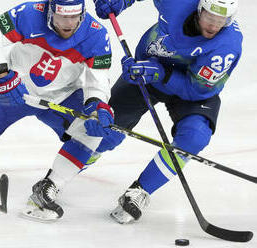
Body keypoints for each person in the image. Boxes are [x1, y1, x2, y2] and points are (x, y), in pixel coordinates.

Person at [0, 0, 125, 221]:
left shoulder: (96, 35)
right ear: (50, 11)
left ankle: (48, 188)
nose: (69, 24)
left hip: (61, 96)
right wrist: (4, 76)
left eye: (74, 17)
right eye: (62, 17)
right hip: (13, 90)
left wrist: (98, 108)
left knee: (96, 133)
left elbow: (97, 82)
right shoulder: (29, 13)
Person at [94, 0, 242, 224]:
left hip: (190, 89)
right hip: (145, 71)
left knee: (195, 136)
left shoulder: (227, 46)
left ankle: (140, 191)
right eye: (210, 18)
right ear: (199, 9)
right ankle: (56, 178)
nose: (213, 26)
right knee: (104, 128)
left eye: (221, 22)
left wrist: (162, 75)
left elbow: (196, 89)